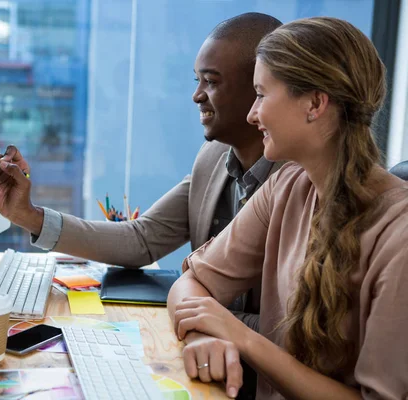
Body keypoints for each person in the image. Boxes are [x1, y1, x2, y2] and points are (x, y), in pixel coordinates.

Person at [0, 13, 282, 398]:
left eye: (212, 81)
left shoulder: (301, 184)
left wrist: (202, 318)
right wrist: (29, 215)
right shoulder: (212, 159)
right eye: (197, 81)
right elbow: (142, 239)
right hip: (200, 366)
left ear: (257, 88)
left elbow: (301, 333)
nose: (196, 95)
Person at [168, 17, 408, 399]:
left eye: (261, 95)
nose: (252, 114)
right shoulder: (287, 186)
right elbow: (192, 282)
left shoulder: (399, 236)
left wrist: (244, 338)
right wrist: (202, 334)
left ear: (314, 103)